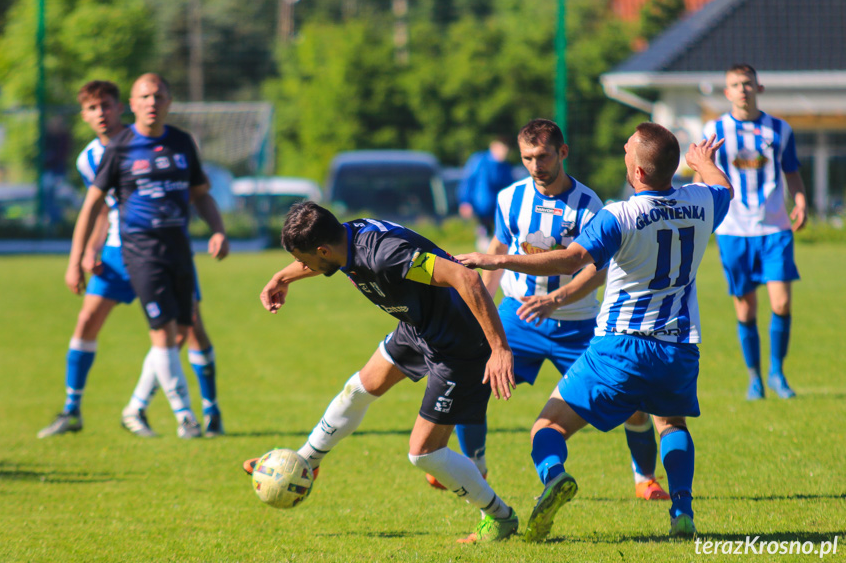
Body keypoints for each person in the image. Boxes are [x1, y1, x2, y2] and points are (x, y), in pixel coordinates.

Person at [458, 124, 733, 540]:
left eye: (627, 152)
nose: (623, 154)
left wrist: (500, 261)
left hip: (621, 346)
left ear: (638, 172)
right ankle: (683, 512)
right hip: (678, 347)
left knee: (546, 429)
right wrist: (705, 163)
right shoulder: (701, 202)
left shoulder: (619, 215)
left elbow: (571, 260)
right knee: (671, 425)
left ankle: (554, 478)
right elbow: (723, 188)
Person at [244, 201, 519, 543]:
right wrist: (281, 276)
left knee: (424, 453)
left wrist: (499, 348)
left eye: (303, 260)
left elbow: (465, 277)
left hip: (458, 345)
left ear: (322, 249)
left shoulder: (386, 255)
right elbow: (328, 263)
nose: (302, 266)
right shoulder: (345, 241)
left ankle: (499, 517)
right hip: (418, 327)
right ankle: (308, 461)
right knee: (360, 387)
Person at [426, 119, 667, 502]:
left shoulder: (590, 205)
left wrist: (556, 299)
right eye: (527, 158)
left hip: (578, 323)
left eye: (542, 156)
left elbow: (596, 272)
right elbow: (496, 258)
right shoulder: (510, 199)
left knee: (629, 402)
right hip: (517, 319)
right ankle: (475, 464)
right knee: (471, 386)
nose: (535, 165)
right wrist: (478, 313)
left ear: (562, 152)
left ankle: (645, 479)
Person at [63, 73, 229, 439]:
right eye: (92, 108)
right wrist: (82, 255)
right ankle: (182, 416)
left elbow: (200, 193)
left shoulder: (181, 142)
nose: (101, 113)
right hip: (128, 248)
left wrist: (217, 229)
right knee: (105, 321)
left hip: (177, 247)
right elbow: (101, 205)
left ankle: (141, 407)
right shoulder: (104, 153)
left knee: (186, 329)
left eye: (106, 105)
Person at [701, 64, 807, 400]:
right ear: (727, 92)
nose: (742, 89)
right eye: (735, 84)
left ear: (758, 88)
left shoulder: (779, 129)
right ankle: (754, 378)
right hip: (733, 230)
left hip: (775, 228)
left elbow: (791, 171)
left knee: (781, 303)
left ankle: (777, 373)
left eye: (748, 83)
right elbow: (703, 171)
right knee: (745, 309)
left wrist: (801, 200)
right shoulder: (714, 129)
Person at [457, 137, 516, 251]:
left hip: (499, 209)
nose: (503, 153)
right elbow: (468, 180)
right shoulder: (479, 160)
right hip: (481, 207)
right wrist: (465, 201)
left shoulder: (505, 167)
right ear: (494, 147)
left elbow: (510, 187)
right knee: (485, 237)